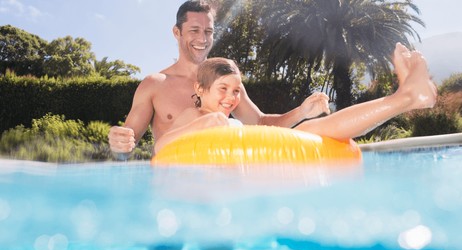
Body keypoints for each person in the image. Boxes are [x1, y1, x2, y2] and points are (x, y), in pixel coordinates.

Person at [108, 0, 330, 159]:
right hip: (174, 181)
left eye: (208, 31)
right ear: (177, 32)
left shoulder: (227, 83)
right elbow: (128, 142)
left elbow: (260, 123)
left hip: (217, 176)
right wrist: (119, 145)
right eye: (194, 30)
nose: (202, 39)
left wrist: (302, 112)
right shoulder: (154, 85)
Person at [154, 43, 437, 154]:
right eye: (223, 89)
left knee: (313, 130)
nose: (231, 98)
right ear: (200, 89)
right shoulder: (195, 115)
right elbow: (161, 147)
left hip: (254, 166)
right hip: (240, 176)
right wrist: (203, 124)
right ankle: (406, 98)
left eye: (236, 90)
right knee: (310, 133)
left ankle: (407, 98)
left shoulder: (226, 119)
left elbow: (265, 125)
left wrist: (302, 110)